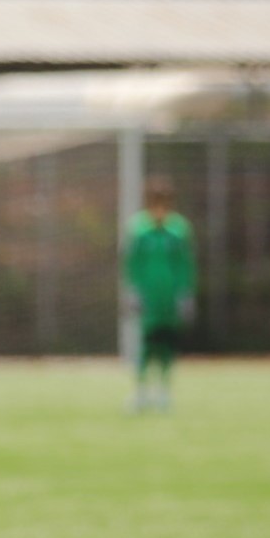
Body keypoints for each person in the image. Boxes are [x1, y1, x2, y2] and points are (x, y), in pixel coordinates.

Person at [123, 177, 198, 413]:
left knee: (167, 345)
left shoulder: (179, 229)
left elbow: (186, 264)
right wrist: (132, 292)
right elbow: (131, 263)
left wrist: (186, 294)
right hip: (149, 299)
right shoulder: (138, 229)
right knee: (147, 346)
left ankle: (164, 392)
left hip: (170, 298)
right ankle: (141, 392)